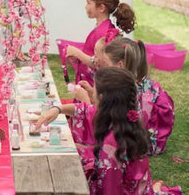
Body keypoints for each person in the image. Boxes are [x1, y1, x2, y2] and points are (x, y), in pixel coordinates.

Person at [36, 67, 181, 195]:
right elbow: (87, 110)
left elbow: (109, 189)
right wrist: (58, 109)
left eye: (95, 89)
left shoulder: (111, 145)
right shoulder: (126, 117)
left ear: (102, 97)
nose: (92, 94)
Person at [103, 37, 175, 156]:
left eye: (106, 64)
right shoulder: (136, 80)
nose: (103, 69)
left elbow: (116, 126)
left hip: (145, 144)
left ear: (120, 65)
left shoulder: (127, 91)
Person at [66, 0, 135, 86]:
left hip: (95, 86)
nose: (86, 6)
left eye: (89, 3)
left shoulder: (104, 32)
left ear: (102, 8)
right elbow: (92, 55)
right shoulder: (102, 27)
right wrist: (80, 59)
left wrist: (77, 53)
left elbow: (100, 62)